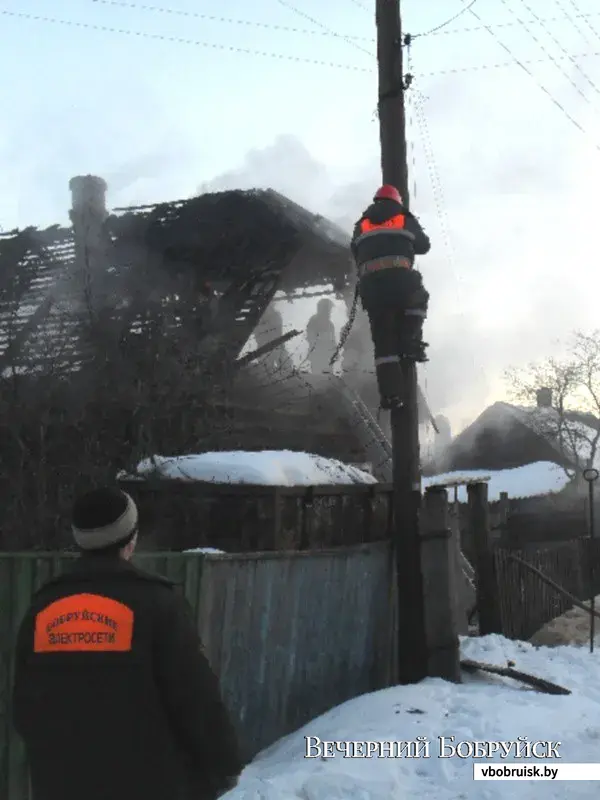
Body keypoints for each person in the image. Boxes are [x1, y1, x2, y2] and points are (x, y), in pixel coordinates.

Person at [12, 487, 243, 800]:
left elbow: (25, 709)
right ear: (130, 540)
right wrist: (225, 764)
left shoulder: (43, 609)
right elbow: (196, 699)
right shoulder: (157, 604)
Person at [351, 184, 431, 409]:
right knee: (418, 298)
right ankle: (410, 342)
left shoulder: (361, 224)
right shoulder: (402, 216)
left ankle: (391, 396)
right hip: (400, 278)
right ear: (397, 200)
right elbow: (424, 246)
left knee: (384, 343)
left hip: (372, 286)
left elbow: (355, 251)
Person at [306, 297, 337, 373]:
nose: (330, 312)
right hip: (318, 357)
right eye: (328, 309)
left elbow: (332, 340)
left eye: (330, 310)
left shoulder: (330, 324)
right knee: (318, 378)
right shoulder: (313, 321)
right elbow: (311, 339)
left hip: (328, 357)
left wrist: (335, 352)